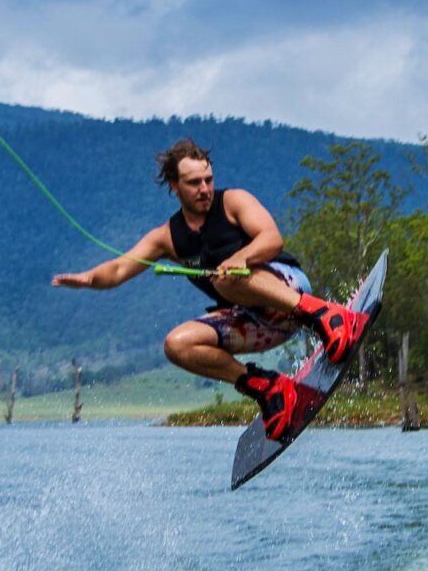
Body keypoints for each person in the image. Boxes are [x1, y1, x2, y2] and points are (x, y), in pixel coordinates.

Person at [50, 139, 368, 440]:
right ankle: (267, 388)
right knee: (176, 345)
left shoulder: (233, 202)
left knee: (225, 278)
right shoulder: (168, 238)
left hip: (288, 291)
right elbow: (119, 268)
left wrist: (240, 258)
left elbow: (272, 239)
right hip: (255, 322)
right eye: (193, 183)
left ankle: (330, 317)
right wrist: (88, 279)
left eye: (208, 179)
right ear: (174, 186)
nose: (204, 189)